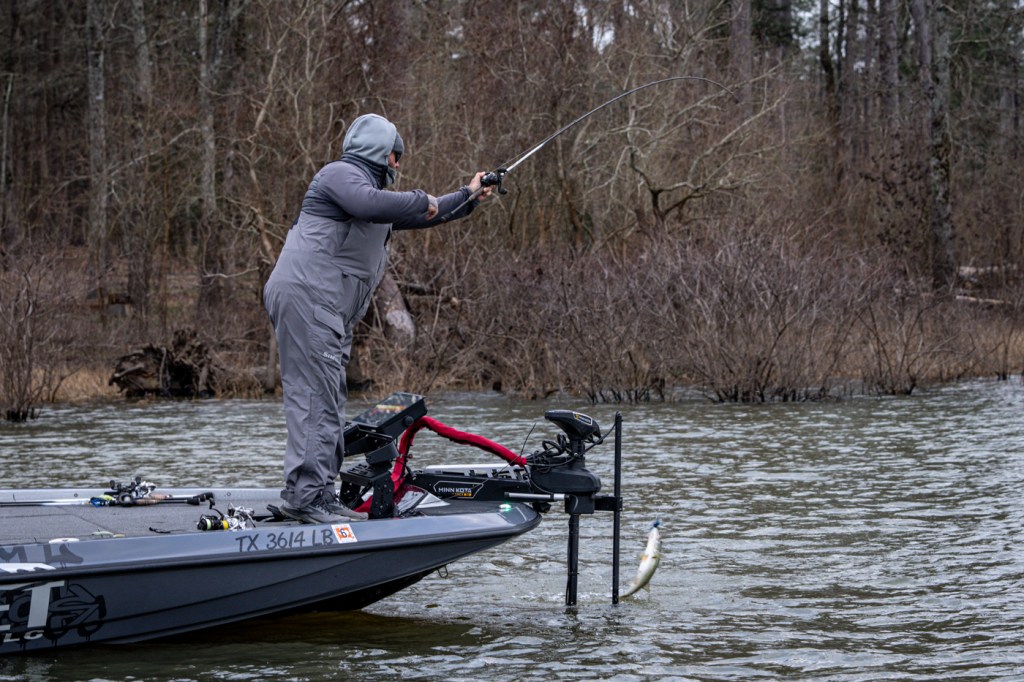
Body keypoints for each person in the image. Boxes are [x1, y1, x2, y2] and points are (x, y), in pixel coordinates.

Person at [263, 113, 492, 524]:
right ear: (379, 151)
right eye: (395, 156)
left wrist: (470, 194)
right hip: (308, 299)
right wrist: (422, 198)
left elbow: (430, 212)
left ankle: (317, 493)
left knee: (329, 399)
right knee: (315, 398)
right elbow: (374, 203)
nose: (398, 165)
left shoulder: (373, 199)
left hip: (326, 309)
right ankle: (306, 497)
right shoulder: (339, 175)